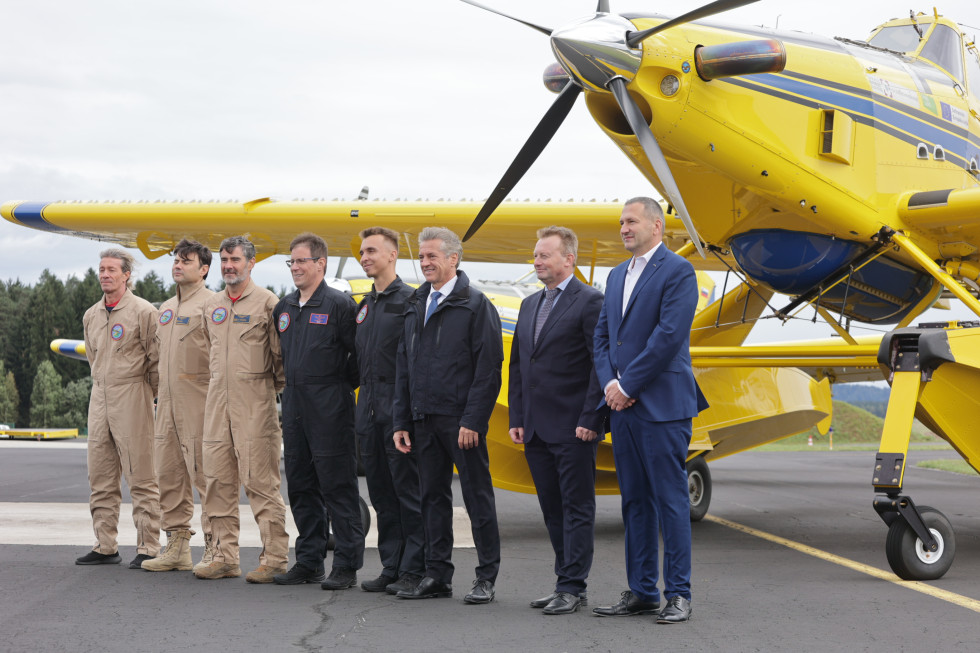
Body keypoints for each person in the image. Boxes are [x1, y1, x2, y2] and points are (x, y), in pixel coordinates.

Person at [592, 197, 708, 623]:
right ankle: (642, 591)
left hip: (662, 406)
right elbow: (602, 338)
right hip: (622, 406)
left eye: (631, 221)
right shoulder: (616, 274)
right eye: (621, 222)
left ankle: (678, 594)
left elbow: (669, 335)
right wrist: (610, 384)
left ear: (656, 226)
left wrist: (626, 384)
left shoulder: (678, 271)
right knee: (634, 502)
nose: (623, 228)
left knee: (671, 501)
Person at [392, 227, 503, 604]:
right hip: (423, 420)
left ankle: (486, 578)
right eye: (421, 257)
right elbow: (404, 367)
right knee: (432, 500)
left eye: (431, 256)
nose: (424, 263)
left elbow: (489, 369)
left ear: (453, 259)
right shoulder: (415, 303)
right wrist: (401, 421)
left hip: (460, 423)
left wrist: (473, 420)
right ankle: (437, 574)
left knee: (477, 499)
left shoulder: (475, 305)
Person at [508, 226, 604, 615]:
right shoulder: (530, 304)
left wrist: (592, 417)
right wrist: (517, 415)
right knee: (552, 508)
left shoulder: (590, 301)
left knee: (577, 507)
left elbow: (601, 366)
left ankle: (573, 585)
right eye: (535, 255)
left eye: (544, 255)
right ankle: (565, 581)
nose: (536, 261)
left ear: (569, 259)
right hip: (534, 426)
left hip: (574, 426)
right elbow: (518, 364)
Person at [271, 232, 366, 589]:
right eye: (291, 262)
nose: (295, 267)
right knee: (301, 486)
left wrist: (334, 386)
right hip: (294, 406)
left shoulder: (340, 305)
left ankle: (346, 564)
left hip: (331, 407)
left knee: (337, 487)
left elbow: (359, 357)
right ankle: (309, 561)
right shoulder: (285, 308)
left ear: (320, 264)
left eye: (301, 261)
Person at [194, 236, 289, 583]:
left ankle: (275, 558)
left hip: (255, 406)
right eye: (223, 260)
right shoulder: (212, 305)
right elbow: (210, 349)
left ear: (251, 263)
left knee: (261, 484)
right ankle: (223, 556)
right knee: (217, 482)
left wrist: (261, 391)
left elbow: (279, 360)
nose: (228, 266)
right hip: (217, 406)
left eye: (234, 259)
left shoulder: (268, 303)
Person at [77, 248, 161, 568]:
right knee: (100, 475)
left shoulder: (143, 311)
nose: (105, 275)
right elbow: (93, 359)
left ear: (127, 275)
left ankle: (149, 546)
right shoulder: (91, 315)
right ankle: (105, 545)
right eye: (101, 269)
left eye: (112, 269)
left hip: (134, 393)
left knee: (141, 476)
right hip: (100, 395)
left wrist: (152, 397)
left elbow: (157, 360)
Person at [354, 227, 425, 595]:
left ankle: (415, 569)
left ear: (392, 255)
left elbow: (415, 364)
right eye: (362, 252)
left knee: (407, 494)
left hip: (398, 416)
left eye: (371, 251)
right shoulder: (365, 306)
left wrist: (407, 417)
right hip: (368, 414)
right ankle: (392, 566)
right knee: (381, 496)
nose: (364, 257)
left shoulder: (410, 301)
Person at [142, 239, 215, 573]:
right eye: (175, 260)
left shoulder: (213, 305)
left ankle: (217, 548)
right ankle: (177, 547)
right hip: (167, 404)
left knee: (207, 476)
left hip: (199, 401)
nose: (177, 265)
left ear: (204, 269)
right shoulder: (166, 308)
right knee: (169, 475)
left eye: (186, 261)